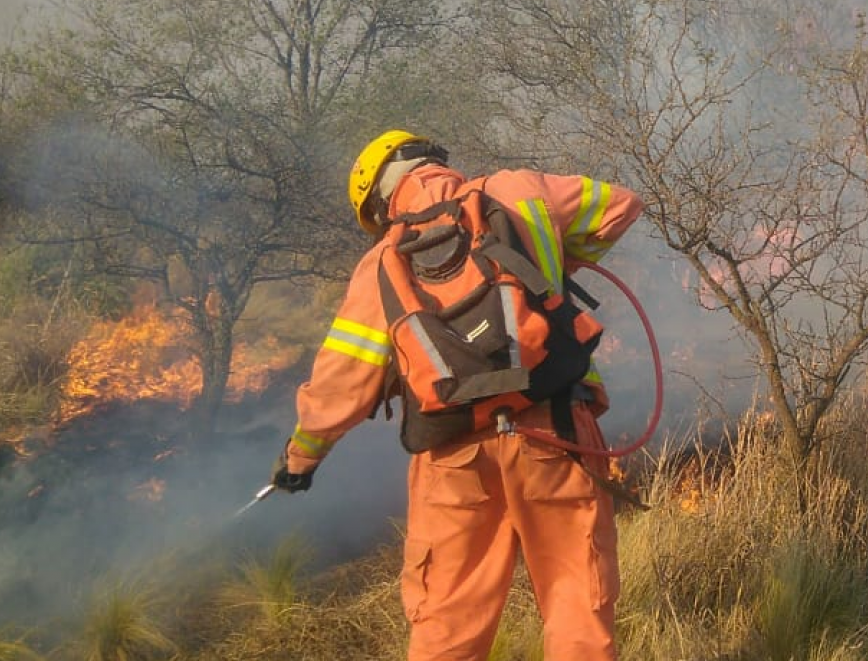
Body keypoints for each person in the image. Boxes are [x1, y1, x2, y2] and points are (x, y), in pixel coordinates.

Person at [270, 130, 644, 661]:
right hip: (555, 433)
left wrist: (301, 458)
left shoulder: (382, 261)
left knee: (446, 624)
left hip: (453, 460)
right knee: (576, 610)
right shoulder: (519, 190)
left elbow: (341, 384)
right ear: (433, 159)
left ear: (380, 202)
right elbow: (620, 206)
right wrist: (551, 266)